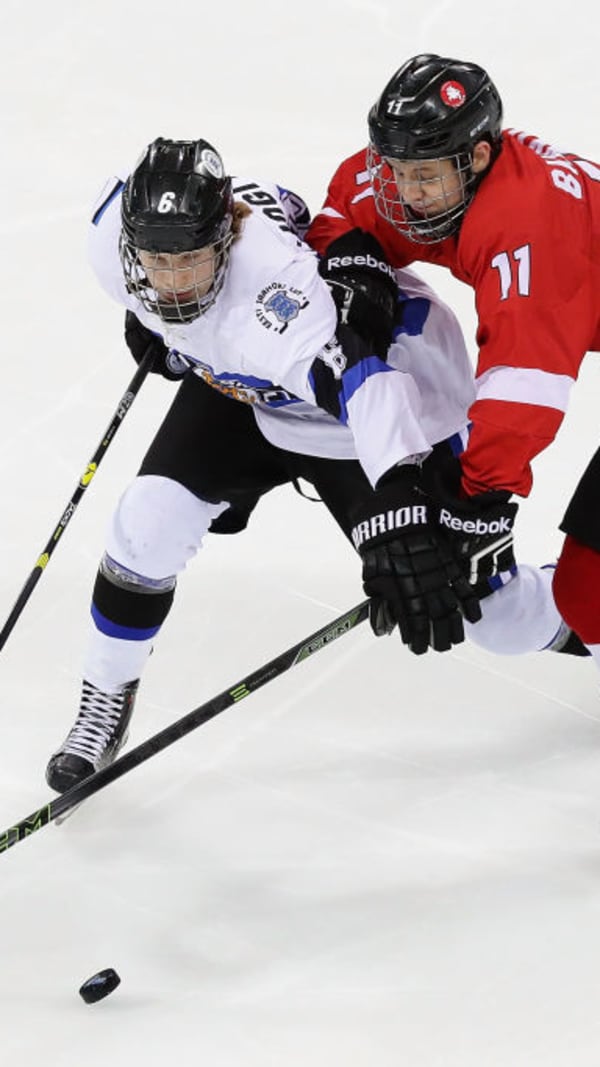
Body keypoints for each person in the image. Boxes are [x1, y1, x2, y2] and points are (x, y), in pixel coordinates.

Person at [45, 135, 571, 793]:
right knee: (145, 522)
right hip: (247, 390)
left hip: (383, 407)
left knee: (491, 616)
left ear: (225, 243)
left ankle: (587, 609)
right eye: (157, 263)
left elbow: (366, 384)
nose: (174, 283)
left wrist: (399, 494)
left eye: (193, 262)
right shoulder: (112, 231)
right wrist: (161, 328)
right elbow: (272, 203)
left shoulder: (277, 302)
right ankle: (101, 703)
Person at [307, 52, 600, 669]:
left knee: (589, 596)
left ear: (479, 157)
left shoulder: (525, 222)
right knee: (585, 599)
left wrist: (473, 499)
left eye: (423, 176)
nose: (406, 192)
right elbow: (342, 213)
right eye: (395, 169)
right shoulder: (429, 177)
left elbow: (526, 390)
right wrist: (351, 261)